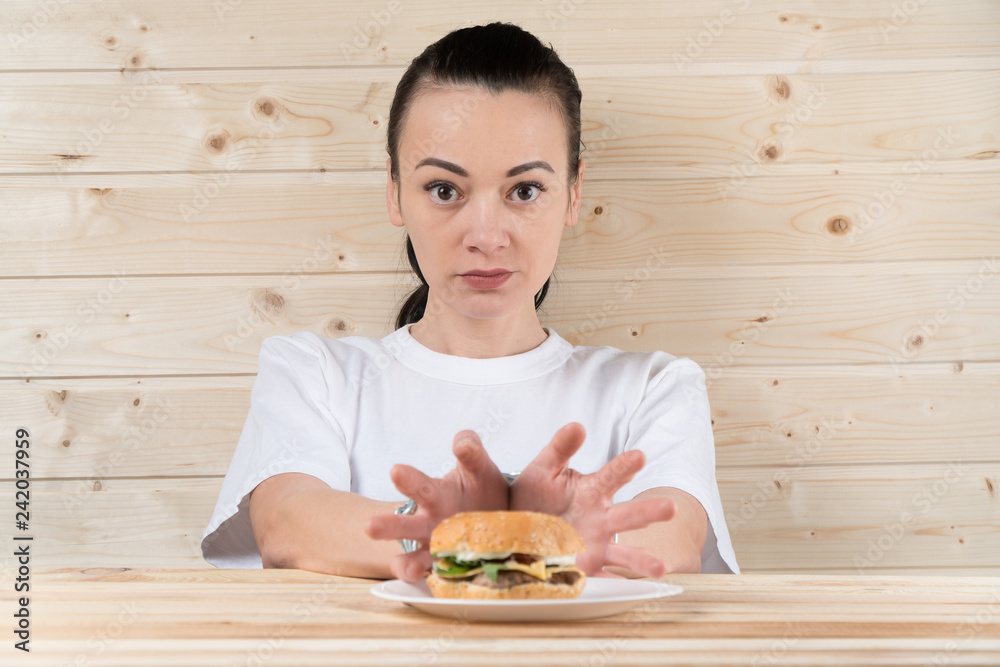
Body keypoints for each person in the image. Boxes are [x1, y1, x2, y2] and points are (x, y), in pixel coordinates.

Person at [201, 22, 739, 580]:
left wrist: (466, 537)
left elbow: (671, 541)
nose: (485, 236)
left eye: (524, 191)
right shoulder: (313, 373)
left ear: (574, 193)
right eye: (444, 190)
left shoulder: (654, 388)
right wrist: (521, 536)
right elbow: (288, 526)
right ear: (394, 191)